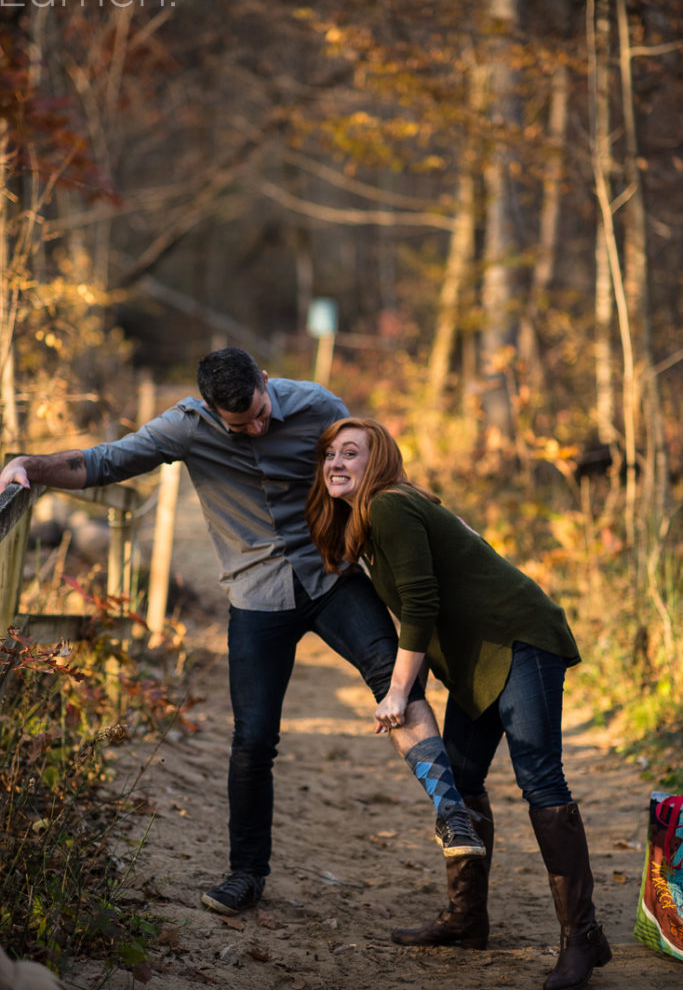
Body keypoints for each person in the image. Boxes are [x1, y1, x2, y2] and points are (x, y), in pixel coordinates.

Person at [0, 348, 485, 918]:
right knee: (253, 741)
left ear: (264, 378)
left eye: (259, 412)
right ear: (209, 409)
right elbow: (102, 462)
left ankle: (451, 812)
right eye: (240, 425)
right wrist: (28, 466)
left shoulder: (317, 405)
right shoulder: (184, 427)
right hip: (257, 596)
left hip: (331, 576)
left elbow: (372, 475)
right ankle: (246, 873)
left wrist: (442, 526)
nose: (255, 427)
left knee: (395, 680)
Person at [306, 417, 612, 990]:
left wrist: (397, 691)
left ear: (378, 462)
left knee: (541, 781)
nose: (336, 464)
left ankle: (583, 939)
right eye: (329, 455)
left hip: (518, 639)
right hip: (478, 659)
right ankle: (467, 919)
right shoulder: (374, 518)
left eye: (351, 453)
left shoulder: (391, 506)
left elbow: (420, 606)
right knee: (462, 778)